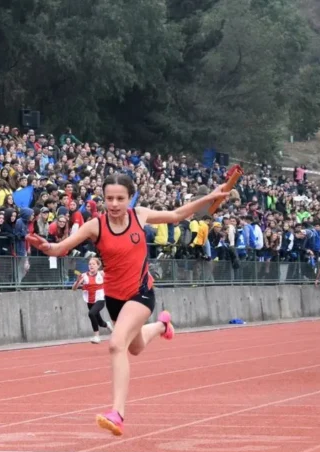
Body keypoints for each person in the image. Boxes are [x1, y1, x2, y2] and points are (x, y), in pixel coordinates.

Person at [38, 173, 229, 436]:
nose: (114, 204)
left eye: (120, 198)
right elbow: (61, 248)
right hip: (115, 299)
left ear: (130, 198)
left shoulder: (139, 215)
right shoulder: (96, 226)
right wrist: (48, 246)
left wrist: (209, 198)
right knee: (135, 347)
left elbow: (175, 216)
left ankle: (117, 413)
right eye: (109, 198)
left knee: (117, 344)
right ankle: (162, 326)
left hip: (140, 292)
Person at [73, 257, 113, 344]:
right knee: (100, 323)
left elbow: (112, 277)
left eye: (93, 264)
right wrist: (77, 281)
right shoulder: (84, 276)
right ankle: (107, 325)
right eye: (90, 264)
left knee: (91, 314)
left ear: (98, 266)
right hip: (90, 302)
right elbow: (74, 288)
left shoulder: (102, 274)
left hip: (100, 300)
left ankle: (97, 336)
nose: (91, 266)